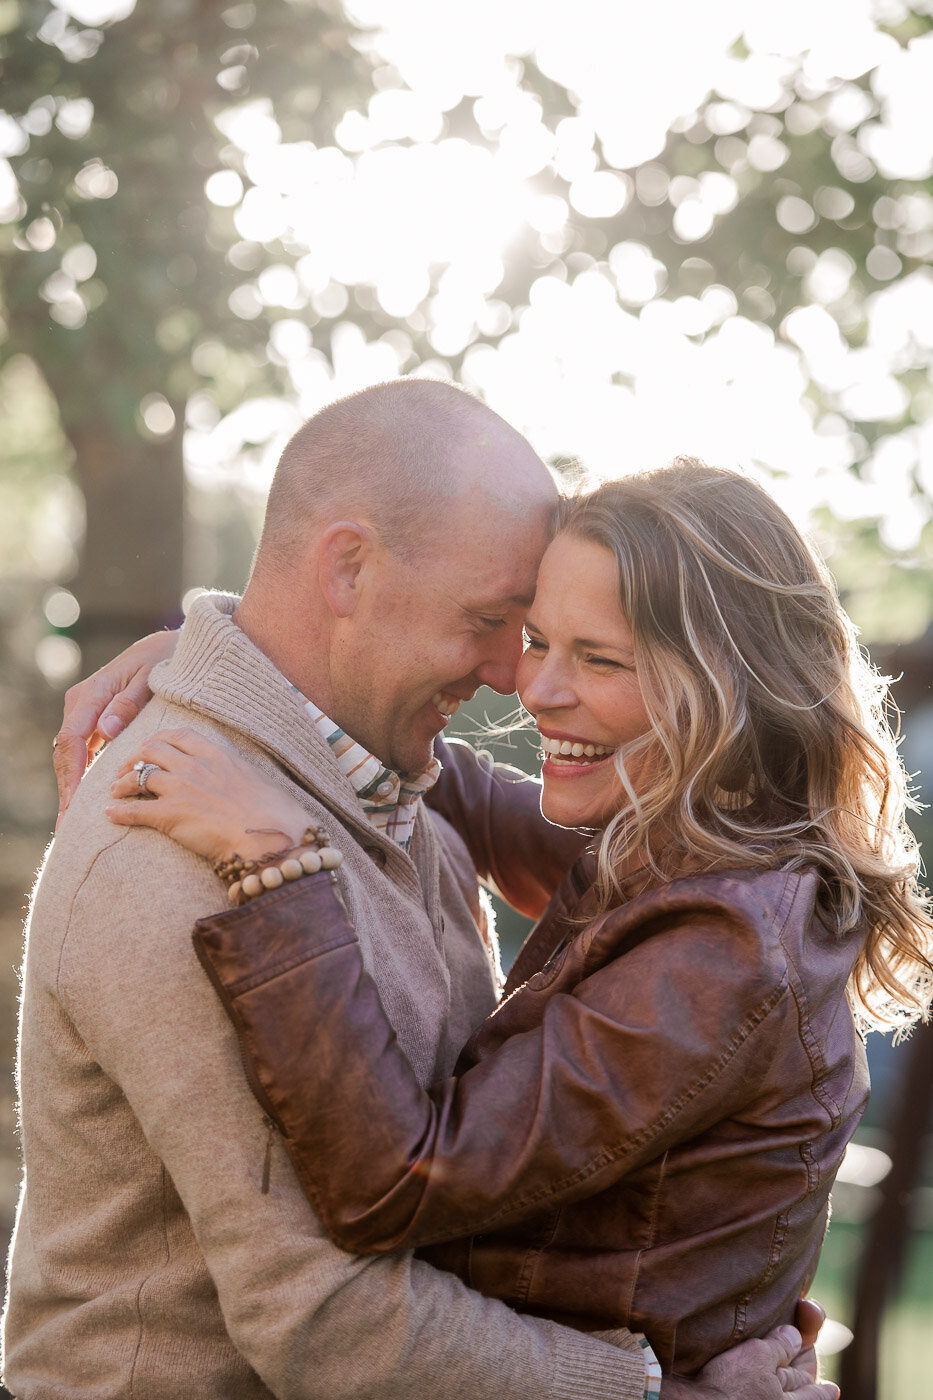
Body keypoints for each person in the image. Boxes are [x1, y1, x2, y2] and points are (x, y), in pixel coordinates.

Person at [1, 384, 835, 1400]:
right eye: (499, 622)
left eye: (555, 640)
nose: (512, 681)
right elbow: (327, 1317)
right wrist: (664, 1391)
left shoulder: (392, 787)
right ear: (346, 568)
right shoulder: (185, 846)